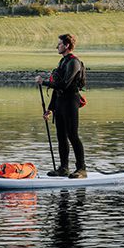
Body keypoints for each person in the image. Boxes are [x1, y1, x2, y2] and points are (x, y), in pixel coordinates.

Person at [35, 34, 87, 179]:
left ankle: (81, 169)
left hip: (71, 101)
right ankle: (63, 168)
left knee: (72, 135)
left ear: (67, 45)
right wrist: (50, 109)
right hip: (60, 102)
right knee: (61, 137)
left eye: (59, 44)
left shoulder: (74, 62)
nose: (57, 46)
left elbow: (64, 84)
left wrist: (43, 82)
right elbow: (57, 90)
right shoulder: (63, 61)